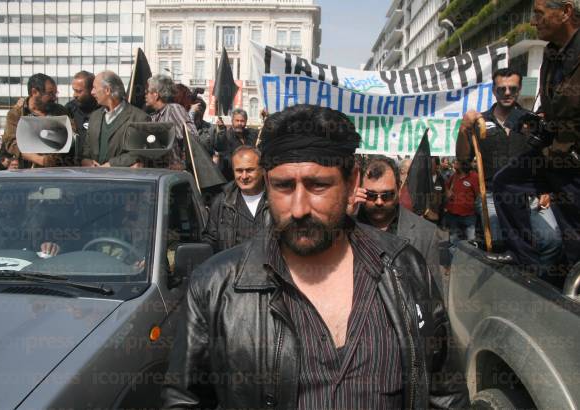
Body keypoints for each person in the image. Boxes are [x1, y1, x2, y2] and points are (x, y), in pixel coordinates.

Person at [162, 104, 468, 409]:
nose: (299, 209)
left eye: (318, 185)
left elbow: (446, 395)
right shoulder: (216, 287)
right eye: (283, 186)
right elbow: (184, 400)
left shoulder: (404, 270)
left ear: (351, 184)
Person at [457, 67, 562, 271]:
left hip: (528, 196)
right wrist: (463, 129)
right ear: (494, 90)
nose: (507, 93)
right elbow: (462, 160)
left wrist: (545, 190)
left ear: (519, 89)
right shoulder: (480, 121)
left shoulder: (531, 121)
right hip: (492, 196)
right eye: (501, 89)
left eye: (512, 89)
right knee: (500, 245)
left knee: (552, 241)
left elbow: (543, 159)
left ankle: (534, 283)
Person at [353, 154, 448, 294]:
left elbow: (434, 294)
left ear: (399, 188)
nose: (379, 202)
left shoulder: (425, 233)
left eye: (387, 195)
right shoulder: (345, 226)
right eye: (371, 195)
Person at [202, 146, 269, 252]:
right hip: (232, 267)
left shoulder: (277, 200)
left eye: (250, 170)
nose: (244, 176)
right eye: (239, 171)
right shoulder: (222, 203)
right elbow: (210, 241)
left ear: (262, 170)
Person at [1, 73, 73, 168]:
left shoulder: (61, 111)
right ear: (34, 92)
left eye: (55, 93)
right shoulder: (16, 114)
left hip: (57, 171)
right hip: (28, 172)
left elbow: (71, 137)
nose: (54, 98)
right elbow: (11, 143)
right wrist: (39, 160)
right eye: (50, 93)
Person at [81, 71, 149, 168]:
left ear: (107, 90)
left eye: (95, 88)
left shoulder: (139, 118)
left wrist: (111, 165)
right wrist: (87, 162)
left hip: (122, 180)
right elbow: (86, 151)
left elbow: (138, 153)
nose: (92, 92)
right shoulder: (94, 117)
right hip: (94, 178)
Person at [145, 74, 199, 169]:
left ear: (156, 95)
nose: (145, 95)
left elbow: (193, 138)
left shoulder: (173, 109)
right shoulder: (153, 116)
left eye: (147, 92)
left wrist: (183, 164)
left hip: (174, 175)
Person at [214, 108, 258, 181]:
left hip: (249, 176)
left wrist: (265, 118)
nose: (239, 123)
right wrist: (221, 130)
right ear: (232, 121)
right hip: (230, 177)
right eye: (237, 121)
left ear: (246, 121)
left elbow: (264, 133)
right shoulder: (226, 136)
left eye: (242, 121)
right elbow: (219, 146)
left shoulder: (251, 134)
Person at [65, 71, 99, 164]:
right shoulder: (69, 109)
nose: (74, 95)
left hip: (98, 165)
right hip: (74, 166)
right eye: (74, 90)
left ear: (91, 90)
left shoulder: (104, 109)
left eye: (79, 91)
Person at [444, 159, 479, 245]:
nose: (454, 162)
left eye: (457, 161)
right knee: (453, 244)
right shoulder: (454, 176)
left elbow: (479, 195)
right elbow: (446, 186)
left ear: (463, 164)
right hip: (453, 216)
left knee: (471, 244)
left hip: (469, 217)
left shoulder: (474, 177)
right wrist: (447, 192)